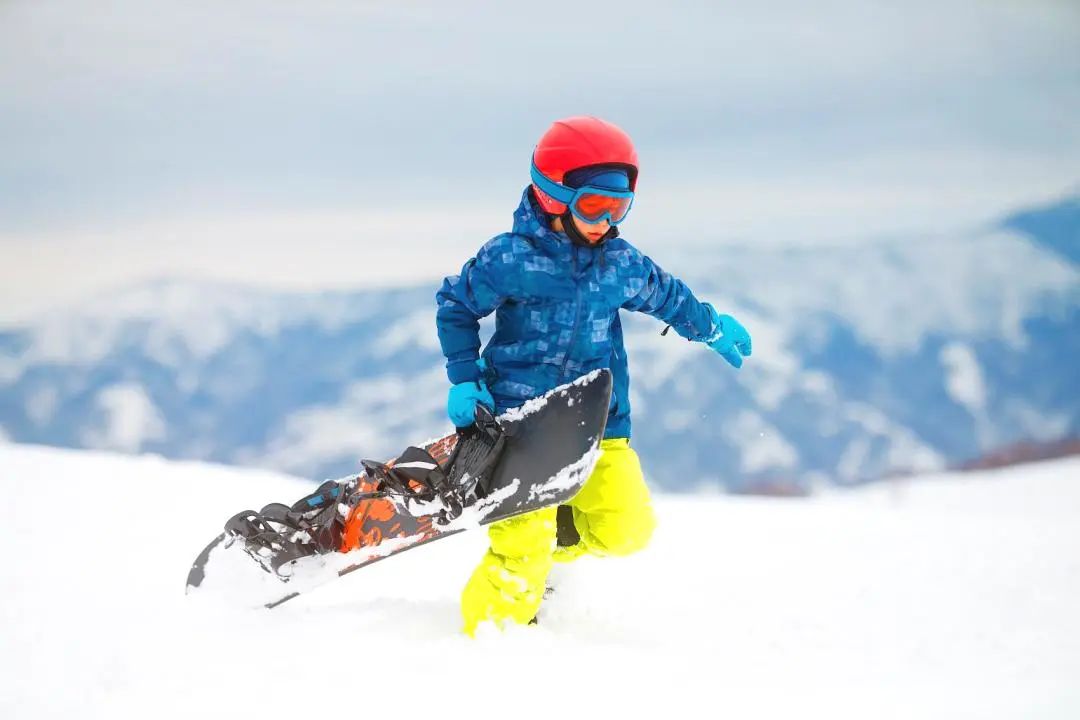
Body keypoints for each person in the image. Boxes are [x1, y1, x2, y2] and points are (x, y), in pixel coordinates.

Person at [435, 116, 752, 635]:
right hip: (521, 428)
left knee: (627, 529)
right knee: (521, 556)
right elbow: (456, 304)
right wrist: (464, 377)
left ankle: (558, 528)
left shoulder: (620, 264)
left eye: (619, 207)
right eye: (593, 206)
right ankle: (486, 643)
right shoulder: (510, 258)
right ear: (556, 196)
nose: (606, 220)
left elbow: (668, 298)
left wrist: (710, 327)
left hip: (599, 421)